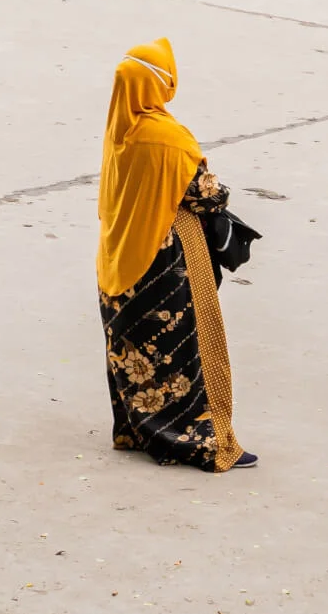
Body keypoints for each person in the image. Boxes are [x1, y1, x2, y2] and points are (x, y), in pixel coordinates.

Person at [96, 39, 255, 472]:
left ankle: (137, 429)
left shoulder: (118, 129)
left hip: (118, 255)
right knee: (182, 351)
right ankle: (194, 441)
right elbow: (206, 193)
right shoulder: (169, 138)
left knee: (133, 351)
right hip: (164, 259)